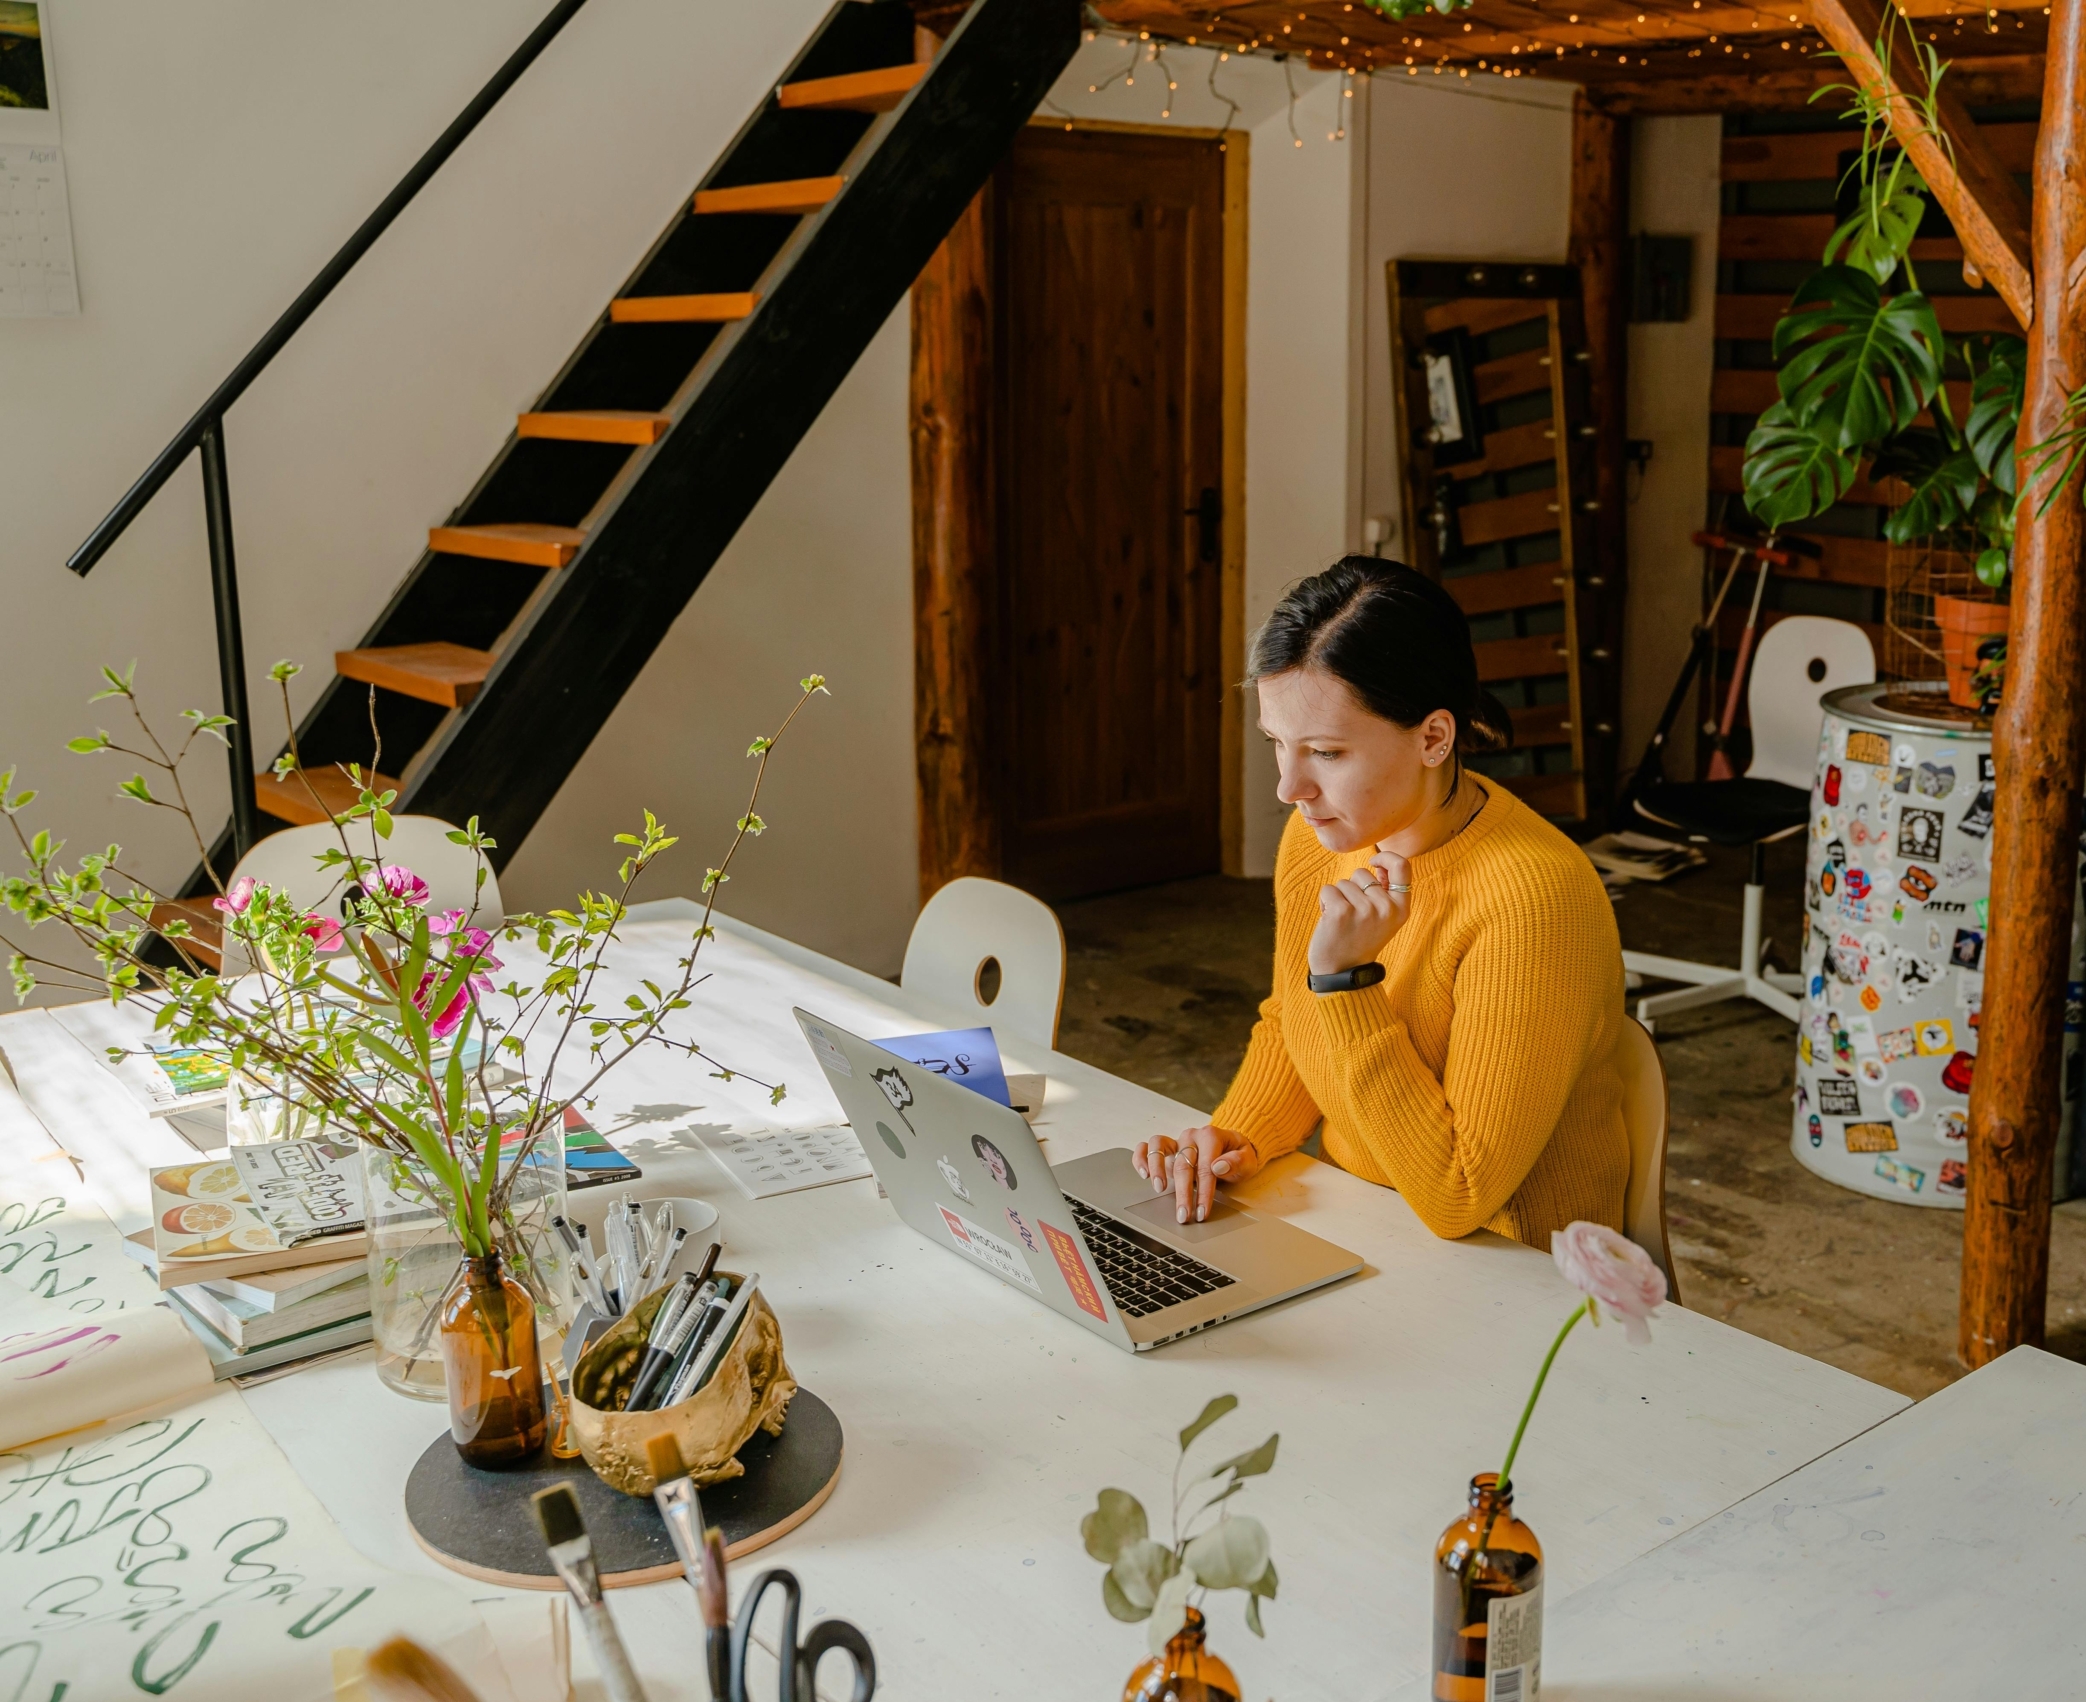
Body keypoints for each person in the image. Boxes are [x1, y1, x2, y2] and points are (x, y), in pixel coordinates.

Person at [1132, 557, 1628, 1250]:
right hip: (1368, 1222)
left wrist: (1346, 980)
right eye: (1277, 744)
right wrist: (1235, 1137)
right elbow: (1292, 1024)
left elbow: (1460, 1196)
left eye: (1327, 753)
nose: (1289, 787)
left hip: (1515, 1269)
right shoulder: (1320, 839)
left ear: (1434, 737)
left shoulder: (1534, 902)